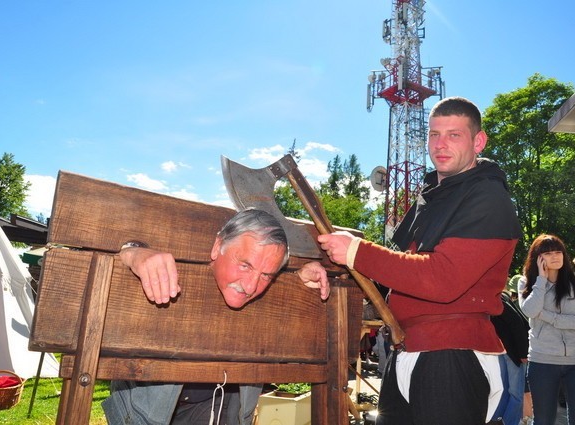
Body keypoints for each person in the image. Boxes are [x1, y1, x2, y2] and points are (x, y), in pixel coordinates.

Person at [317, 96, 522, 425]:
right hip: (405, 352)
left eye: (454, 135)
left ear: (478, 141)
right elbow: (396, 277)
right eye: (434, 134)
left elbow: (442, 280)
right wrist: (333, 272)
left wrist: (357, 250)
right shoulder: (431, 196)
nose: (440, 144)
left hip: (452, 355)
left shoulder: (488, 197)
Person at [102, 208, 330, 425]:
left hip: (214, 407)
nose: (251, 286)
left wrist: (298, 283)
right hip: (147, 409)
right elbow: (112, 246)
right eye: (245, 265)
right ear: (217, 246)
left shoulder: (266, 297)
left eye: (266, 276)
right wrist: (132, 252)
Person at [518, 234, 575, 425]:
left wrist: (548, 316)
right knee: (543, 420)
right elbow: (530, 310)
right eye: (548, 253)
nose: (555, 256)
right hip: (542, 361)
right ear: (538, 257)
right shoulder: (526, 283)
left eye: (558, 252)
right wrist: (541, 281)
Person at [490, 290, 530, 425]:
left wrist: (523, 353)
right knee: (506, 391)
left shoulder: (494, 297)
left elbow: (517, 323)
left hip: (512, 352)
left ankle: (506, 422)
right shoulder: (497, 296)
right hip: (503, 351)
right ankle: (502, 421)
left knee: (514, 392)